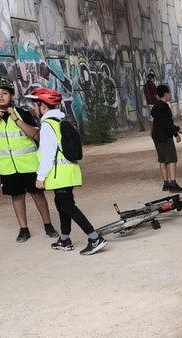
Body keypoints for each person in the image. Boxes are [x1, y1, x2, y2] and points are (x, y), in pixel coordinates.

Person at [25, 88, 108, 256]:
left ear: (43, 106)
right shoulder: (60, 121)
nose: (33, 108)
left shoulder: (48, 125)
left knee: (67, 205)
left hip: (58, 173)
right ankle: (64, 239)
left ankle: (94, 238)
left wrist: (40, 177)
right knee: (62, 203)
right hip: (68, 171)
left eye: (35, 104)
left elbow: (48, 154)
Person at [0, 76, 58, 243]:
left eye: (5, 93)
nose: (0, 96)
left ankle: (48, 225)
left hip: (29, 164)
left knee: (37, 195)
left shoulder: (23, 113)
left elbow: (35, 135)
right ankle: (23, 229)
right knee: (17, 197)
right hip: (7, 167)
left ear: (12, 96)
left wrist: (16, 119)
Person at [150, 84, 182, 192]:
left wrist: (177, 128)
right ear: (166, 94)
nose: (170, 95)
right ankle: (173, 184)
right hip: (165, 136)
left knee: (162, 160)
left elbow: (164, 122)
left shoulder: (156, 106)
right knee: (171, 159)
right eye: (169, 93)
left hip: (156, 136)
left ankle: (166, 184)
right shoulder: (164, 107)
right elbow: (167, 124)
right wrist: (176, 134)